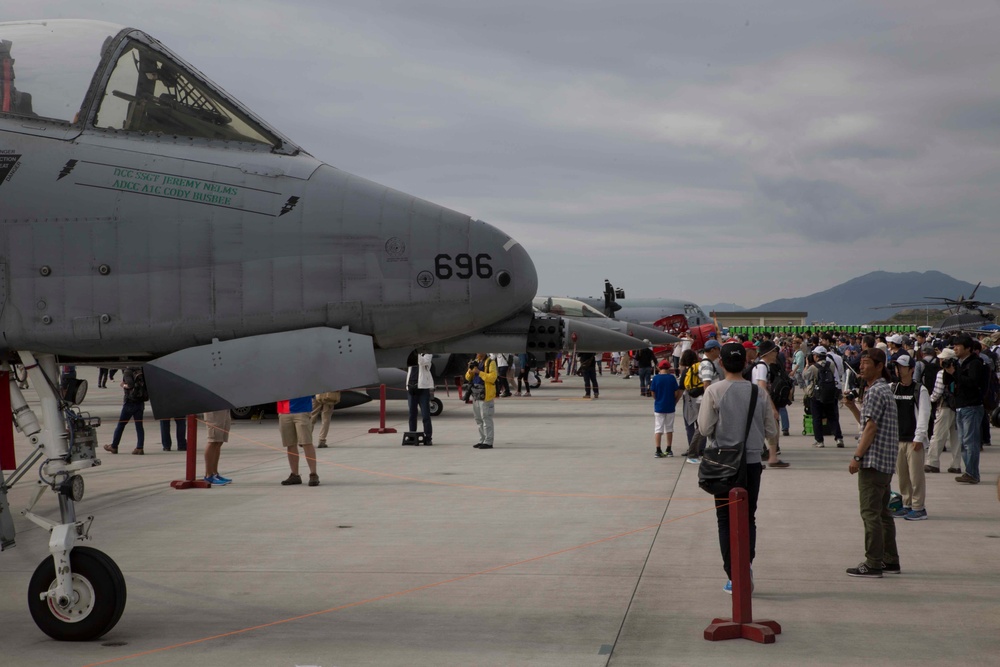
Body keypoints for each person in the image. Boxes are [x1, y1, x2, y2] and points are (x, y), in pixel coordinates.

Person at [698, 341, 777, 593]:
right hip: (751, 463)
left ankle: (733, 574)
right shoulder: (759, 392)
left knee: (724, 520)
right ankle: (747, 565)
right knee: (748, 517)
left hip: (723, 464)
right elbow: (771, 430)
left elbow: (704, 429)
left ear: (721, 363)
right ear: (746, 363)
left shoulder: (714, 391)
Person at [843, 348, 900, 578]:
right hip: (884, 461)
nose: (861, 367)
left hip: (874, 460)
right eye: (861, 363)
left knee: (870, 513)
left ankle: (873, 562)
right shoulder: (880, 389)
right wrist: (852, 407)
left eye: (866, 363)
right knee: (884, 513)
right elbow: (867, 422)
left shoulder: (875, 391)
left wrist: (857, 456)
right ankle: (890, 558)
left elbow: (871, 428)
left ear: (879, 366)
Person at [890, 355, 931, 521]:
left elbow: (924, 414)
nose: (899, 370)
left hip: (913, 440)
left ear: (912, 369)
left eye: (902, 367)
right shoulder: (892, 388)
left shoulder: (919, 390)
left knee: (916, 476)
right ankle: (906, 504)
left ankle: (919, 507)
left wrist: (919, 437)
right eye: (896, 367)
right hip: (897, 439)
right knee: (903, 476)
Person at [948, 334, 988, 484]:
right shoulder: (959, 363)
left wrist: (955, 373)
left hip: (971, 406)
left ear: (968, 348)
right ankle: (969, 472)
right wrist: (949, 373)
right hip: (961, 405)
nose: (955, 348)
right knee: (963, 442)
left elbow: (972, 382)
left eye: (958, 346)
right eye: (954, 346)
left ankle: (972, 473)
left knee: (970, 441)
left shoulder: (975, 363)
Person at [752, 340, 789, 468]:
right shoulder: (762, 366)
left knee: (769, 430)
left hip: (759, 403)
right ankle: (771, 457)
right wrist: (772, 408)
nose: (776, 354)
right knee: (771, 429)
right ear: (767, 353)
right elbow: (762, 388)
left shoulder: (762, 365)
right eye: (774, 351)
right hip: (760, 404)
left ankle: (772, 456)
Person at [926, 348, 960, 474]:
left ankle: (932, 462)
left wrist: (929, 400)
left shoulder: (942, 373)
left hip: (945, 406)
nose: (940, 360)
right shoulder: (959, 371)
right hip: (958, 406)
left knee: (938, 435)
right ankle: (956, 465)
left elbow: (937, 392)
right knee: (956, 438)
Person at [805, 346, 845, 448]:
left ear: (817, 356)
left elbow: (805, 376)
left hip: (817, 395)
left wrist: (807, 365)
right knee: (832, 417)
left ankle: (819, 440)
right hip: (830, 393)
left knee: (817, 418)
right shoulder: (831, 365)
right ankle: (839, 438)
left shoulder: (813, 367)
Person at [103, 366, 147, 455]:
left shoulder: (128, 371)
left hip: (130, 402)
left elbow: (130, 385)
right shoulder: (141, 370)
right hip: (140, 402)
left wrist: (123, 385)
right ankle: (140, 447)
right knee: (139, 426)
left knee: (121, 425)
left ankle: (114, 446)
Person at [279, 396, 319, 486]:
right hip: (284, 409)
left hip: (302, 409)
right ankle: (295, 475)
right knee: (290, 443)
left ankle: (313, 474)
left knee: (306, 442)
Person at [650, 359, 682, 457]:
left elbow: (653, 393)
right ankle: (668, 449)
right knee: (669, 428)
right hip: (670, 407)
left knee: (658, 428)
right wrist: (674, 401)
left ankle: (658, 450)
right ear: (669, 368)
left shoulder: (655, 378)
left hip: (659, 407)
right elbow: (676, 392)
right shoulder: (672, 378)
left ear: (659, 368)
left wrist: (658, 399)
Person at [466, 353, 498, 449]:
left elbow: (492, 377)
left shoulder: (490, 362)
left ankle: (488, 441)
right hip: (476, 394)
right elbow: (467, 377)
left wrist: (479, 372)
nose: (478, 354)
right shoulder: (476, 362)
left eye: (480, 352)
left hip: (485, 395)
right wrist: (470, 371)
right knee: (478, 419)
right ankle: (482, 439)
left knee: (486, 418)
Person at [406, 351, 434, 444]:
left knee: (425, 414)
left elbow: (423, 362)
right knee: (412, 414)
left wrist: (416, 354)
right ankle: (412, 435)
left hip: (423, 388)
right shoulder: (411, 356)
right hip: (411, 386)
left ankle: (428, 437)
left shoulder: (427, 354)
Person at [202, 410, 232, 485]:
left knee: (219, 441)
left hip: (224, 408)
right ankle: (209, 475)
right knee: (213, 441)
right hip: (214, 410)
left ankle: (215, 473)